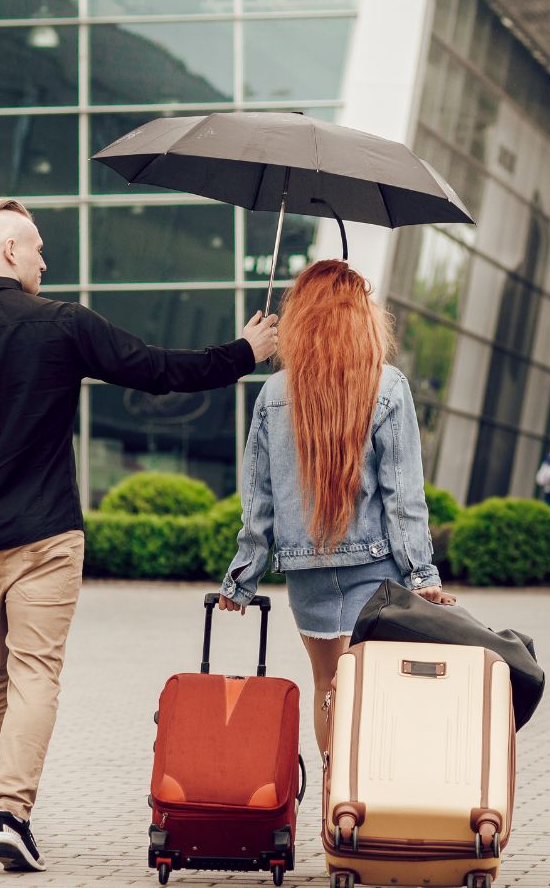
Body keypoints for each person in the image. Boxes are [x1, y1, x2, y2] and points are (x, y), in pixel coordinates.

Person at [0, 198, 278, 873]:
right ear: (10, 252)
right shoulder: (63, 325)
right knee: (35, 672)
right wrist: (243, 353)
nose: (46, 260)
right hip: (46, 534)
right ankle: (10, 813)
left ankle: (2, 809)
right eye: (38, 247)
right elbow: (158, 370)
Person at [216, 259, 454, 755]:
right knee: (373, 692)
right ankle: (361, 805)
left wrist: (241, 581)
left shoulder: (273, 395)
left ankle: (334, 807)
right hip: (376, 571)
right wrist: (422, 575)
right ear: (361, 317)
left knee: (328, 688)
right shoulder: (387, 386)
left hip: (307, 577)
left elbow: (258, 506)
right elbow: (403, 496)